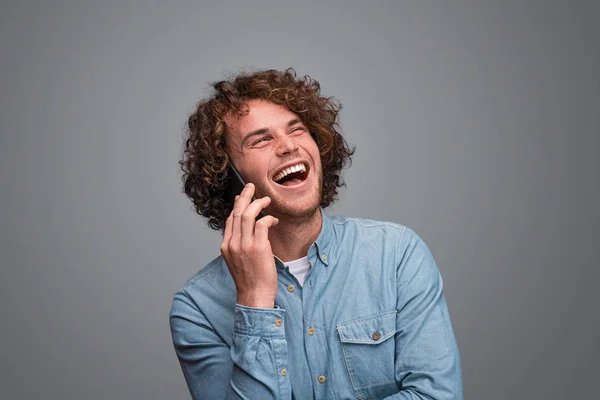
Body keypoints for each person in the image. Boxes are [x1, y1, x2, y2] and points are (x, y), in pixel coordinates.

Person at [170, 68, 463, 399]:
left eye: (297, 130)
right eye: (261, 139)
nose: (288, 146)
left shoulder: (396, 254)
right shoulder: (197, 309)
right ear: (228, 176)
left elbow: (436, 395)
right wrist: (254, 300)